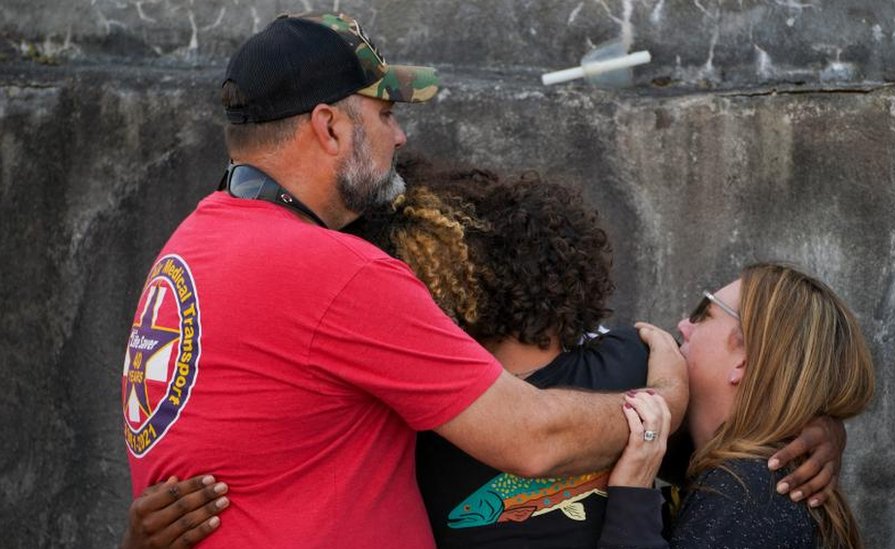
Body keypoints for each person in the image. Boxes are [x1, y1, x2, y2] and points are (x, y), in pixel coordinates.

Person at [120, 12, 688, 548]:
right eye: (386, 114)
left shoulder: (187, 250)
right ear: (330, 127)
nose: (400, 138)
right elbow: (534, 437)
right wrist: (661, 406)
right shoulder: (335, 272)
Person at [122, 170, 846, 547]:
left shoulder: (638, 366)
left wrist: (808, 426)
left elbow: (738, 447)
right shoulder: (405, 407)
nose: (683, 331)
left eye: (702, 314)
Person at [600, 262, 876, 548]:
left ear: (744, 362)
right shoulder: (757, 480)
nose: (684, 326)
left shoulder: (747, 491)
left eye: (702, 314)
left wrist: (631, 499)